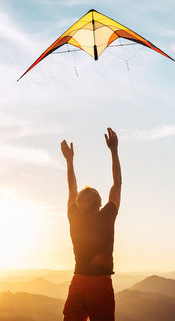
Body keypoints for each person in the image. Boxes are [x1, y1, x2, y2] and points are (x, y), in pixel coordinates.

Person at [61, 127, 122, 321]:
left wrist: (69, 161)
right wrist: (114, 151)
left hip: (78, 282)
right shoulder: (106, 216)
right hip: (101, 285)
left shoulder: (74, 217)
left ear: (78, 204)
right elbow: (117, 184)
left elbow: (72, 187)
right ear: (101, 203)